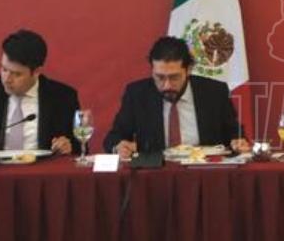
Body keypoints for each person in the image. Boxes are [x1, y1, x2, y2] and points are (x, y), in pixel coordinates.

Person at [103, 36, 250, 158]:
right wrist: (118, 147)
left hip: (204, 171)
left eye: (174, 77)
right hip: (156, 173)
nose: (166, 86)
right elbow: (113, 138)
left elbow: (234, 134)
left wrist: (238, 143)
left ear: (188, 70)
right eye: (160, 77)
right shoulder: (137, 94)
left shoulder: (214, 92)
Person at [0, 29, 79, 154]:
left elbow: (80, 149)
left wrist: (67, 147)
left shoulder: (63, 97)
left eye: (17, 74)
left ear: (36, 72)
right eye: (4, 69)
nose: (7, 79)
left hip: (42, 166)